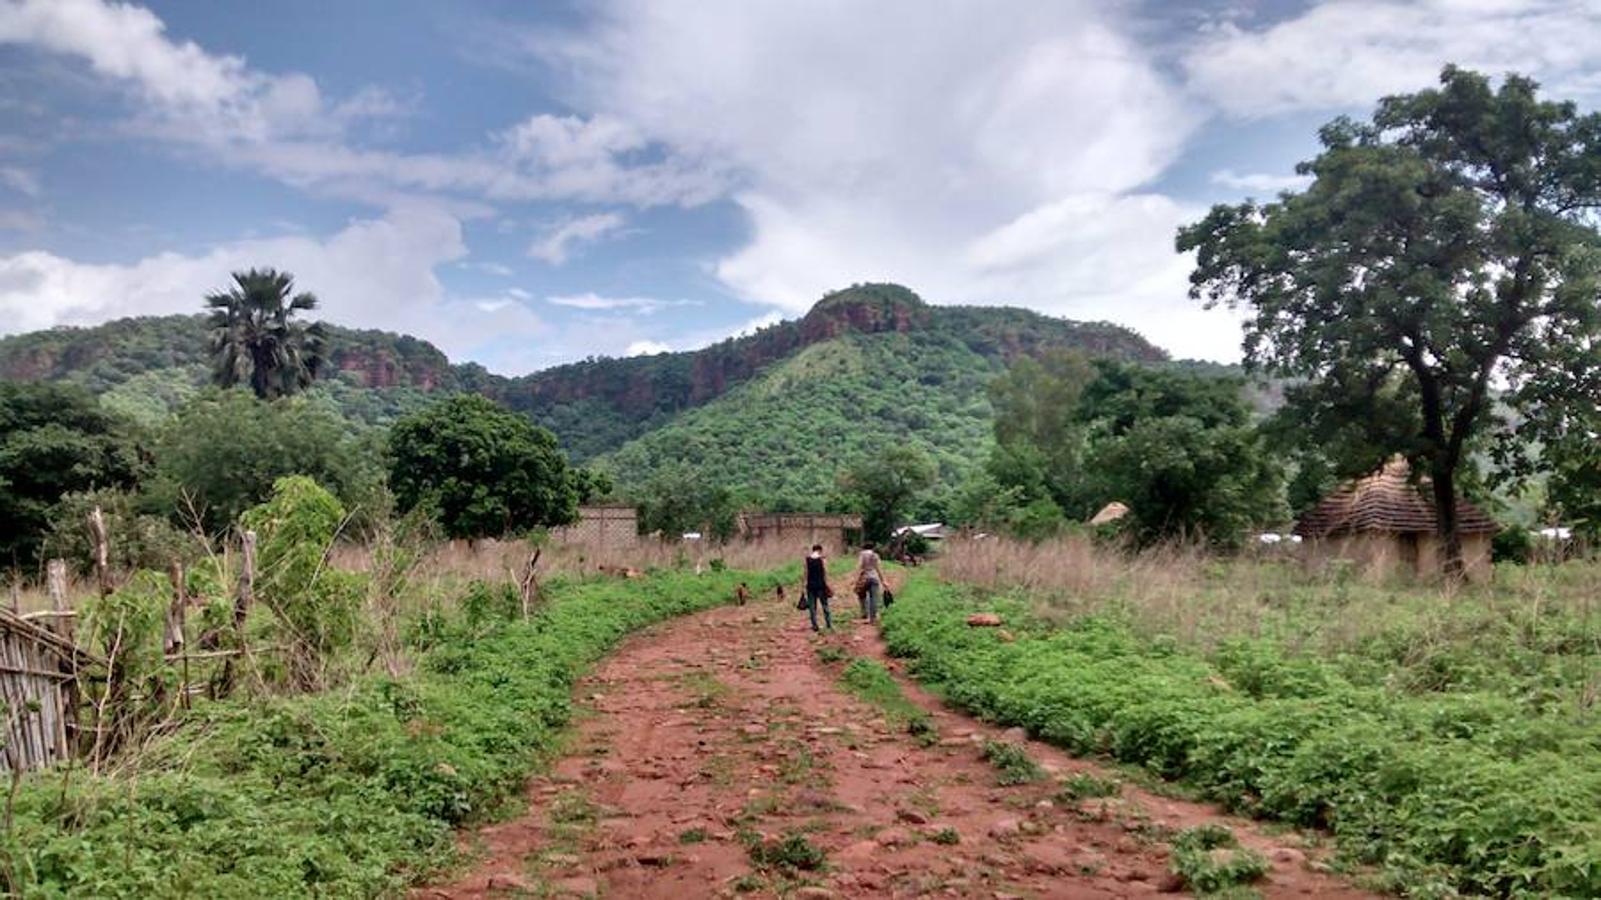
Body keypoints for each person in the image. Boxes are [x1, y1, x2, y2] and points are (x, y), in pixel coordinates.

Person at [804, 544, 832, 632]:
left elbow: (805, 573)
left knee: (812, 607)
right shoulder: (822, 560)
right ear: (820, 550)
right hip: (821, 585)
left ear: (813, 550)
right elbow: (825, 573)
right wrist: (828, 585)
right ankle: (828, 624)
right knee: (825, 605)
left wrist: (803, 586)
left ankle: (814, 625)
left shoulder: (807, 560)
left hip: (810, 586)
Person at [856, 541, 885, 624]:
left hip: (864, 578)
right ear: (873, 548)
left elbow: (859, 566)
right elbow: (879, 569)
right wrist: (883, 581)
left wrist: (855, 578)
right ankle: (873, 618)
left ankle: (864, 613)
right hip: (874, 578)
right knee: (874, 598)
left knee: (861, 595)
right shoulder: (875, 555)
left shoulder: (862, 554)